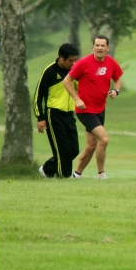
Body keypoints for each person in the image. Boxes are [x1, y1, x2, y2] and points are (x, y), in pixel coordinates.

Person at [62, 35, 123, 179]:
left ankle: (76, 174)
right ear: (93, 47)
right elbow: (67, 81)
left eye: (103, 46)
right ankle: (101, 174)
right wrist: (77, 99)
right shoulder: (83, 63)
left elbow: (118, 79)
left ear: (108, 48)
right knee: (104, 139)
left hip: (100, 109)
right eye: (97, 45)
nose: (100, 48)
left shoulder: (111, 63)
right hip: (85, 110)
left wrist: (116, 91)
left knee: (91, 146)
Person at [33, 43, 80, 178]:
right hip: (53, 114)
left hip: (69, 114)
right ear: (61, 58)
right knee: (61, 151)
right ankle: (64, 177)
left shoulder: (74, 71)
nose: (73, 63)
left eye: (74, 59)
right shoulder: (50, 71)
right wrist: (40, 117)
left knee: (74, 149)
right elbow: (38, 96)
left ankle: (47, 170)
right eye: (70, 60)